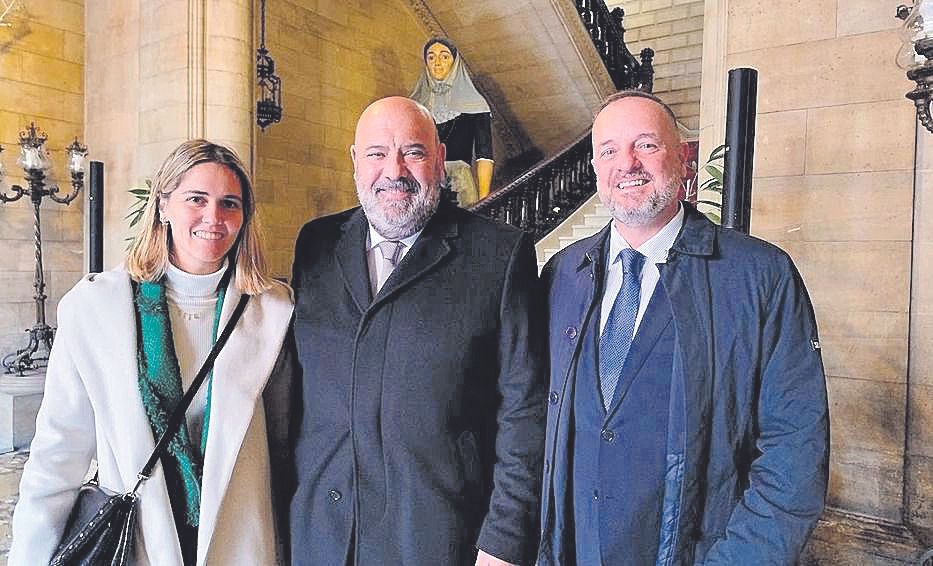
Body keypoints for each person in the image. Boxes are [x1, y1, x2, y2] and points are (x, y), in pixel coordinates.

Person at [537, 91, 829, 565]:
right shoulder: (561, 275)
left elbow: (793, 457)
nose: (626, 163)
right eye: (609, 150)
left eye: (646, 145)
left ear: (684, 159)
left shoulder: (760, 276)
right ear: (595, 167)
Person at [10, 140, 296, 565]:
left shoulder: (274, 310)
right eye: (196, 199)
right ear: (163, 205)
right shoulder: (96, 309)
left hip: (240, 538)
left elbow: (285, 441)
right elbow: (59, 452)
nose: (213, 217)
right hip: (138, 536)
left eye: (229, 203)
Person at [288, 96, 544, 566]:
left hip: (437, 538)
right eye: (377, 154)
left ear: (440, 159)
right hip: (319, 537)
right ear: (354, 161)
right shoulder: (315, 245)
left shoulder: (499, 255)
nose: (394, 170)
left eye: (413, 152)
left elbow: (524, 408)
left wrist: (504, 539)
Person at [410, 37, 494, 206]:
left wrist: (484, 202)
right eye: (431, 57)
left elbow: (484, 156)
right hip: (422, 185)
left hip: (460, 186)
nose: (437, 63)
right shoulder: (413, 107)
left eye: (444, 56)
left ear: (455, 62)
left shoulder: (475, 104)